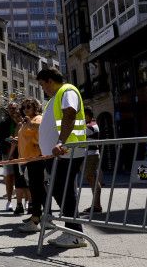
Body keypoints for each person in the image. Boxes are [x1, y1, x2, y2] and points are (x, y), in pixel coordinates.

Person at [36, 68, 87, 248]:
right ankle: (72, 232)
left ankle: (75, 234)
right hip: (60, 153)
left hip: (69, 151)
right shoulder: (54, 98)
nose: (43, 89)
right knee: (60, 191)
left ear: (49, 80)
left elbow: (70, 113)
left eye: (42, 85)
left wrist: (60, 142)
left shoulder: (67, 91)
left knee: (63, 191)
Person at [15, 99, 46, 233]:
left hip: (36, 158)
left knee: (36, 189)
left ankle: (36, 219)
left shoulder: (37, 119)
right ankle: (43, 217)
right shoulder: (29, 120)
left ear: (35, 108)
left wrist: (29, 124)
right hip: (29, 158)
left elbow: (41, 133)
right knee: (37, 189)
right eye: (24, 107)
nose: (26, 109)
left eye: (29, 106)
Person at [79, 108, 104, 214]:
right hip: (88, 155)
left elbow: (79, 132)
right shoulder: (89, 124)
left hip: (91, 155)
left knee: (92, 178)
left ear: (87, 115)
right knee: (91, 179)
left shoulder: (92, 125)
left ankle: (97, 206)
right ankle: (96, 205)